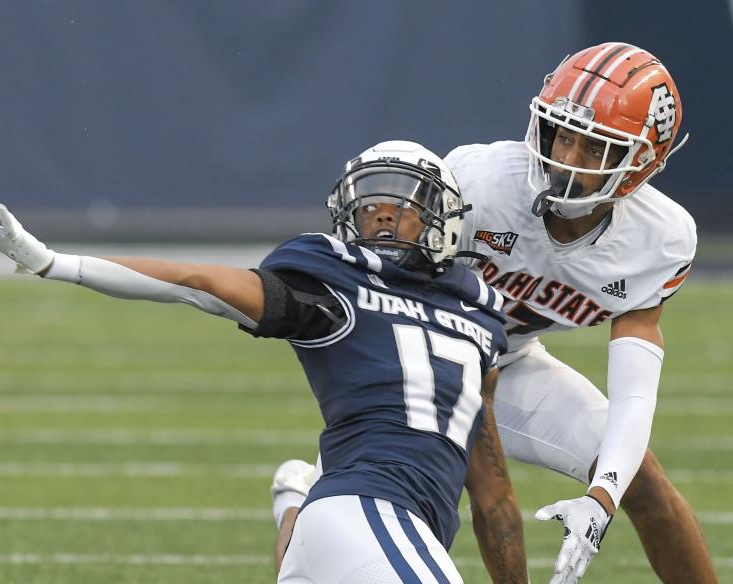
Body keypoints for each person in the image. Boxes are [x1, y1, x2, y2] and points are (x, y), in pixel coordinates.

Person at [0, 140, 529, 583]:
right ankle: (301, 506)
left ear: (442, 220)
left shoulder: (479, 317)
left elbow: (494, 493)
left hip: (373, 534)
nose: (381, 216)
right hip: (368, 509)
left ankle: (293, 509)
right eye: (370, 203)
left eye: (400, 207)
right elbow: (197, 283)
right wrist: (59, 263)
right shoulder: (337, 287)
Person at [272, 43, 718, 583]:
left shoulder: (661, 239)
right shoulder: (481, 182)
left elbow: (634, 391)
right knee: (332, 535)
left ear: (640, 163)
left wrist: (601, 497)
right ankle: (294, 503)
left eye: (593, 148)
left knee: (639, 480)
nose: (565, 159)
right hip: (425, 360)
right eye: (561, 134)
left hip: (512, 362)